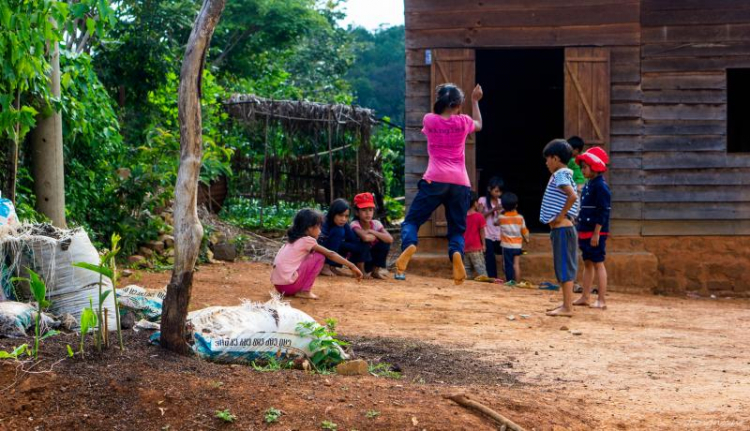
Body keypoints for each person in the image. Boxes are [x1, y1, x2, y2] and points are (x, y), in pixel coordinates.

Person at [395, 82, 484, 284]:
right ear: (458, 104)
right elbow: (479, 124)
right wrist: (474, 101)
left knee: (411, 221)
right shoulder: (463, 122)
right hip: (460, 183)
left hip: (434, 178)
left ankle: (410, 244)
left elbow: (434, 122)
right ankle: (456, 254)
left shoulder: (430, 120)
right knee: (457, 230)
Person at [271, 209, 363, 299]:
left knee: (311, 255)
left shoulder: (292, 241)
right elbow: (330, 254)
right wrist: (352, 266)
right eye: (318, 227)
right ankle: (305, 291)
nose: (320, 231)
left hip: (279, 287)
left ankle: (300, 288)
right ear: (309, 228)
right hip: (289, 286)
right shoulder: (307, 240)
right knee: (319, 256)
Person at [539, 139, 580, 317]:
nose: (546, 163)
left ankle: (567, 308)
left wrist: (561, 215)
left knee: (564, 267)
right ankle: (566, 304)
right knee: (563, 266)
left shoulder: (560, 175)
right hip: (562, 229)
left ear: (555, 158)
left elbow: (572, 196)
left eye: (547, 159)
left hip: (562, 229)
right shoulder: (566, 174)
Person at [573, 147, 611, 310]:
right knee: (587, 263)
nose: (582, 170)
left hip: (596, 232)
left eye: (585, 167)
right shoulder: (589, 185)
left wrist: (597, 233)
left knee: (598, 263)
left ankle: (601, 300)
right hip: (585, 229)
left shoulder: (601, 187)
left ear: (595, 167)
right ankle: (585, 297)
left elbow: (603, 211)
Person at [318, 199, 368, 277]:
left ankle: (333, 267)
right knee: (338, 231)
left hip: (331, 252)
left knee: (358, 244)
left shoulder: (344, 224)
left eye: (346, 216)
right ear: (333, 214)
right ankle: (325, 266)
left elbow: (354, 241)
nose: (343, 219)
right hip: (319, 251)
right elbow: (319, 241)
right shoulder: (324, 221)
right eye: (340, 215)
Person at [350, 192, 393, 279]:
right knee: (363, 242)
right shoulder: (354, 224)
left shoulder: (376, 223)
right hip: (358, 259)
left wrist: (371, 231)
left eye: (370, 210)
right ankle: (361, 271)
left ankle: (375, 271)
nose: (368, 213)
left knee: (384, 244)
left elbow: (390, 239)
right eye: (364, 210)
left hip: (371, 259)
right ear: (357, 212)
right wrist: (376, 236)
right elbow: (365, 238)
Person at [496, 192, 529, 284]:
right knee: (516, 265)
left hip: (506, 246)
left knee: (508, 265)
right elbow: (524, 231)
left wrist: (500, 213)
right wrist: (527, 239)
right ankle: (518, 282)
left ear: (503, 205)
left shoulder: (501, 217)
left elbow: (495, 223)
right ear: (516, 205)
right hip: (517, 246)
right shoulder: (520, 218)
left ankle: (510, 282)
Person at [478, 177, 504, 279]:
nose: (498, 194)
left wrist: (500, 212)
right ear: (489, 189)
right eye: (496, 191)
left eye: (500, 191)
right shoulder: (483, 200)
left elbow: (503, 219)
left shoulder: (501, 201)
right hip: (487, 234)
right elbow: (479, 217)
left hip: (499, 234)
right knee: (490, 257)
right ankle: (493, 278)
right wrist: (493, 210)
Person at [463, 192, 492, 282]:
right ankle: (485, 287)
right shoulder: (479, 217)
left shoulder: (462, 216)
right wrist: (484, 245)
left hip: (464, 248)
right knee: (481, 270)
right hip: (476, 248)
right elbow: (482, 232)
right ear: (475, 203)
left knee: (467, 271)